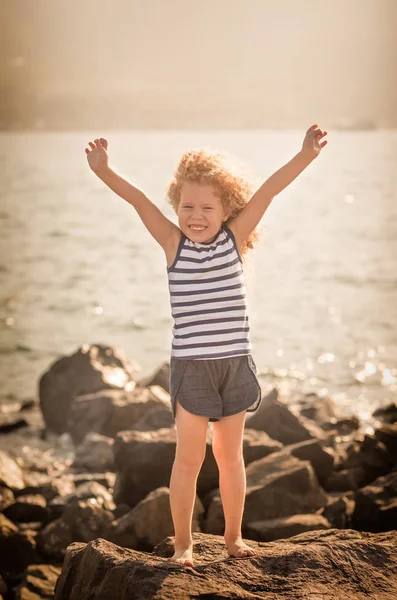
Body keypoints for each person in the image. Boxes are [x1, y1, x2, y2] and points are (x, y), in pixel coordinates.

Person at [85, 125, 328, 566]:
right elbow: (139, 200)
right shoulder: (173, 243)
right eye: (186, 206)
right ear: (176, 208)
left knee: (231, 457)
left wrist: (305, 155)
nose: (196, 215)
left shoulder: (232, 240)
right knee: (188, 460)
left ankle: (233, 540)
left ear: (226, 208)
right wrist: (105, 170)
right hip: (193, 368)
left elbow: (269, 192)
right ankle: (183, 545)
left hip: (233, 364)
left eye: (206, 207)